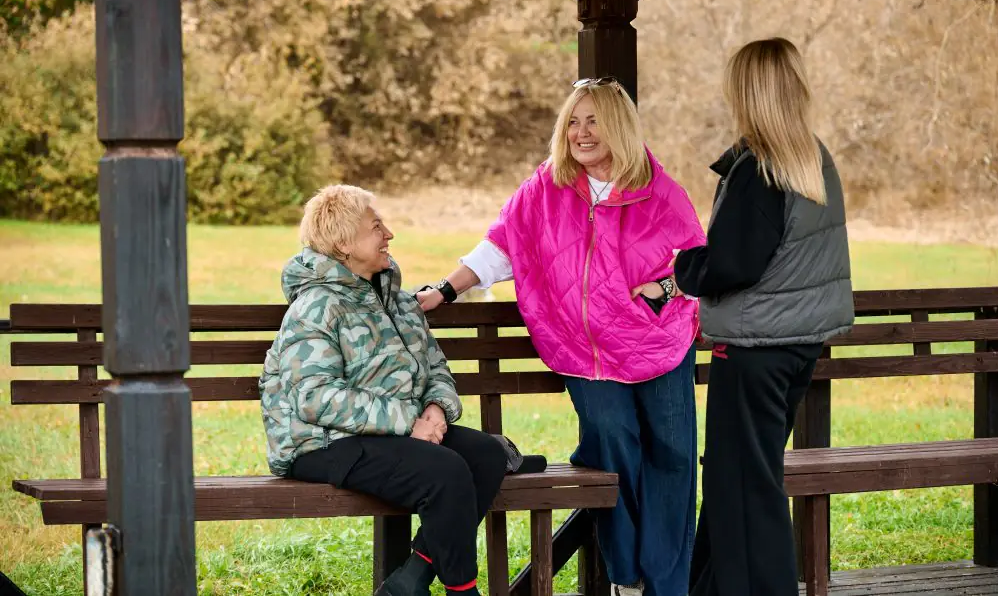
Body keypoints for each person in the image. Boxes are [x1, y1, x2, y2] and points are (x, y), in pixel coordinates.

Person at [417, 78, 706, 596]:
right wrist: (446, 289)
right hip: (583, 352)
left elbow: (698, 264)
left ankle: (668, 586)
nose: (581, 132)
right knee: (613, 446)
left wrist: (663, 288)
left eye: (593, 120)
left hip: (658, 343)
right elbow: (501, 246)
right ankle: (627, 578)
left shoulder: (660, 190)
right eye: (573, 122)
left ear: (619, 126)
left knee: (672, 458)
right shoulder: (546, 186)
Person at [670, 38, 855, 596]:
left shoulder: (763, 168)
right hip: (796, 346)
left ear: (748, 93)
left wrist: (682, 267)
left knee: (746, 489)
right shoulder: (812, 157)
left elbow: (733, 264)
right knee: (740, 480)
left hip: (754, 350)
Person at [259, 184, 507, 596]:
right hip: (323, 443)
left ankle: (411, 578)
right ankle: (463, 592)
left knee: (486, 454)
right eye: (376, 227)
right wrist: (409, 422)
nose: (389, 234)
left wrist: (435, 410)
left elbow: (435, 367)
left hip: (389, 433)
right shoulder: (317, 305)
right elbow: (314, 398)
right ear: (343, 244)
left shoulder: (400, 302)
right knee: (444, 472)